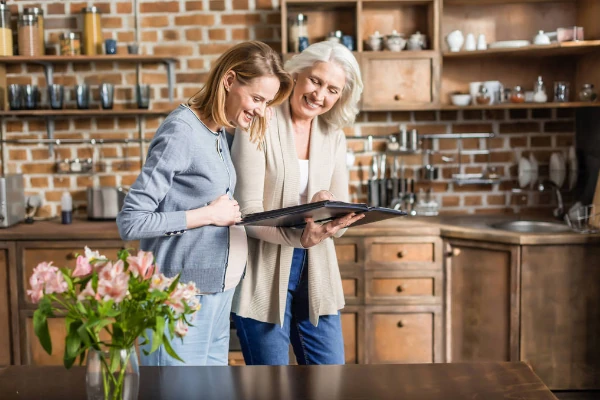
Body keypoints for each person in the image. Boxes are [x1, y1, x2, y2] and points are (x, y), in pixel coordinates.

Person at [116, 41, 293, 366]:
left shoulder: (217, 133)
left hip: (215, 295)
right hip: (177, 297)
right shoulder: (182, 131)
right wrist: (208, 214)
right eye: (257, 98)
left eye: (266, 102)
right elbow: (132, 221)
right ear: (229, 80)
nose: (260, 110)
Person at [230, 41, 364, 365]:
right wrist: (303, 228)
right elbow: (246, 214)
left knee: (329, 382)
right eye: (316, 81)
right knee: (271, 387)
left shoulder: (333, 134)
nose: (320, 95)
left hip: (319, 275)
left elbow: (338, 217)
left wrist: (331, 213)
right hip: (262, 275)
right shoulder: (259, 119)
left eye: (332, 89)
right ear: (296, 74)